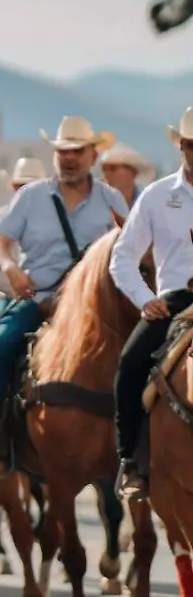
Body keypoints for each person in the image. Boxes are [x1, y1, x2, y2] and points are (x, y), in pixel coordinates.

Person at [0, 116, 127, 479]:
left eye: (77, 151)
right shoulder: (30, 197)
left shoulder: (112, 200)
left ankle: (144, 441)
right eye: (63, 152)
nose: (69, 158)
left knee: (146, 354)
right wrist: (10, 268)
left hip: (96, 308)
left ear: (93, 155)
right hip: (38, 298)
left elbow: (132, 248)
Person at [109, 109, 193, 498]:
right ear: (181, 146)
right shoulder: (159, 196)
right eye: (191, 145)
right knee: (129, 364)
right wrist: (145, 300)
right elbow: (122, 257)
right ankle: (132, 462)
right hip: (177, 299)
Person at [0, 157, 48, 313]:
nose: (26, 192)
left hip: (47, 297)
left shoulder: (55, 219)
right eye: (22, 186)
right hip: (8, 299)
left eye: (32, 186)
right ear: (13, 187)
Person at [100, 141, 156, 208]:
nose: (107, 173)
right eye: (104, 169)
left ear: (133, 172)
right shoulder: (95, 205)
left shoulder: (150, 203)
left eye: (112, 168)